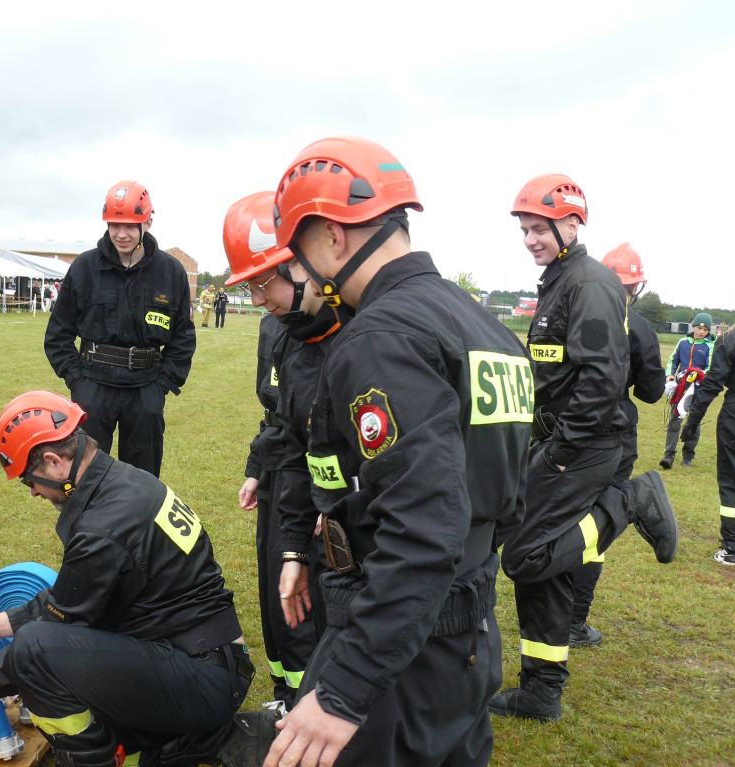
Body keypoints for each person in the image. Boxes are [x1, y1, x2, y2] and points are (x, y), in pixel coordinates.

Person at [257, 137, 532, 767]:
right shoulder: (482, 326)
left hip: (398, 635)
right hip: (468, 627)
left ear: (331, 235)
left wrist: (346, 689)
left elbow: (423, 527)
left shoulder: (380, 337)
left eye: (300, 251)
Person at [0, 390, 274, 767]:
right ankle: (154, 747)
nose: (32, 491)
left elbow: (48, 632)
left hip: (202, 680)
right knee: (40, 644)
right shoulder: (123, 481)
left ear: (53, 462)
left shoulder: (104, 527)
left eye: (28, 480)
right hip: (207, 658)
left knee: (34, 652)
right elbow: (72, 598)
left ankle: (104, 757)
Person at [489, 174, 679, 723]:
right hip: (561, 439)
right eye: (524, 229)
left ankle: (631, 503)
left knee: (524, 554)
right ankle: (542, 691)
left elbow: (602, 377)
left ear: (572, 224)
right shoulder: (559, 280)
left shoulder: (589, 282)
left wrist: (563, 450)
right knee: (543, 567)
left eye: (538, 228)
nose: (529, 238)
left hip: (586, 443)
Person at [223, 191, 329, 717]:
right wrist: (254, 469)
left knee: (310, 604)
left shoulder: (343, 328)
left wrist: (324, 504)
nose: (257, 298)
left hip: (316, 491)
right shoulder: (276, 327)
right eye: (248, 286)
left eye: (262, 283)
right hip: (280, 478)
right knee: (274, 594)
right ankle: (287, 692)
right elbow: (277, 413)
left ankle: (312, 700)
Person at [44, 180, 196, 478]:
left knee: (142, 478)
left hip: (145, 390)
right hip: (93, 387)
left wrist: (161, 385)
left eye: (130, 225)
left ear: (147, 222)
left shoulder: (170, 271)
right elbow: (58, 335)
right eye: (115, 225)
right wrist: (78, 381)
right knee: (84, 473)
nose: (121, 234)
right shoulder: (85, 267)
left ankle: (137, 527)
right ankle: (86, 526)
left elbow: (183, 337)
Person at [569, 243, 667, 648]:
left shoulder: (571, 312)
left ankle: (560, 614)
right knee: (598, 521)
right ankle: (574, 621)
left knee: (562, 518)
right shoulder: (639, 327)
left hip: (566, 432)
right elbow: (651, 391)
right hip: (614, 436)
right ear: (635, 287)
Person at [680, 292, 735, 567]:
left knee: (732, 481)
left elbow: (713, 383)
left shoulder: (730, 338)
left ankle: (731, 548)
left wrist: (693, 420)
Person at [660, 312, 715, 469]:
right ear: (694, 327)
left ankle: (688, 456)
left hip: (698, 390)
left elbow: (709, 367)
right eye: (698, 328)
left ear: (708, 331)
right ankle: (668, 455)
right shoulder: (683, 342)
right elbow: (673, 360)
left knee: (693, 423)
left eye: (704, 330)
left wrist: (697, 374)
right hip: (681, 388)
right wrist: (670, 375)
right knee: (675, 420)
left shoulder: (710, 346)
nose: (700, 332)